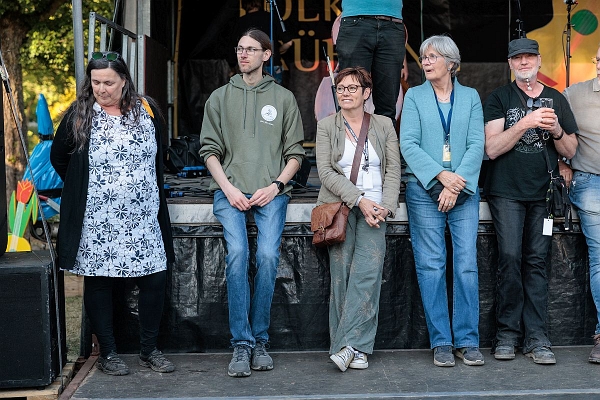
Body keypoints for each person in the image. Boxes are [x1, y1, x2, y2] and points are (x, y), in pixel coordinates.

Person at [50, 51, 176, 375]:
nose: (101, 89)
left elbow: (160, 155)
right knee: (100, 283)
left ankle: (150, 350)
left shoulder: (147, 110)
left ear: (124, 81)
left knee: (155, 278)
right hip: (98, 219)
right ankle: (108, 353)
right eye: (96, 82)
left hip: (143, 217)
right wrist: (82, 187)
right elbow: (59, 157)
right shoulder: (80, 114)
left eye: (108, 82)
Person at [199, 28, 305, 378]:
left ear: (266, 55)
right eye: (239, 48)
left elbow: (295, 155)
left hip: (271, 192)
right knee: (238, 255)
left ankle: (260, 340)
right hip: (229, 191)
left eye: (251, 49)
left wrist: (276, 186)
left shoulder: (284, 98)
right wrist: (228, 189)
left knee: (268, 256)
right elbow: (209, 151)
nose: (243, 54)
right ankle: (242, 344)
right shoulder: (219, 97)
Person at [483, 37, 578, 365]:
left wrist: (556, 130)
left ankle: (537, 337)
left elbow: (571, 149)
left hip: (544, 195)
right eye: (517, 58)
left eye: (529, 57)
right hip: (506, 191)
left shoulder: (556, 99)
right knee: (510, 259)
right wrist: (525, 122)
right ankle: (507, 334)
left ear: (539, 61)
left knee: (537, 261)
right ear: (510, 64)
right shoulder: (500, 97)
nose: (524, 62)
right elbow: (491, 148)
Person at [400, 35, 485, 367]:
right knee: (431, 266)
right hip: (424, 190)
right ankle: (442, 342)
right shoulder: (414, 96)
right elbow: (408, 144)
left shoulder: (471, 96)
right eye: (424, 57)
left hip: (463, 190)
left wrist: (455, 183)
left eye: (433, 56)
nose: (426, 61)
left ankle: (467, 340)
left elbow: (477, 144)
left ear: (451, 62)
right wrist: (441, 177)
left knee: (466, 265)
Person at [316, 66, 401, 372]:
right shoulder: (327, 126)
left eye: (353, 88)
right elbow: (325, 172)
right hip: (340, 207)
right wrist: (359, 200)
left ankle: (352, 346)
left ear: (367, 93)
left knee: (367, 275)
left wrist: (386, 207)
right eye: (341, 88)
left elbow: (393, 168)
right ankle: (349, 348)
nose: (345, 93)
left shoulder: (383, 124)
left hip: (376, 210)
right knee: (341, 277)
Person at [561, 44, 600, 364]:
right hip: (591, 181)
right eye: (598, 59)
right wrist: (562, 162)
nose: (599, 64)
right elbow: (552, 128)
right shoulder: (575, 94)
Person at [335, 0, 406, 123]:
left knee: (387, 106)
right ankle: (349, 136)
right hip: (356, 20)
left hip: (393, 23)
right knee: (351, 101)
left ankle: (382, 136)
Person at [235, 0, 293, 85]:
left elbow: (233, 47)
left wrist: (232, 67)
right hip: (272, 64)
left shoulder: (241, 21)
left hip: (250, 65)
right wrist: (275, 51)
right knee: (274, 92)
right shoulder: (271, 18)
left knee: (251, 93)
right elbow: (289, 43)